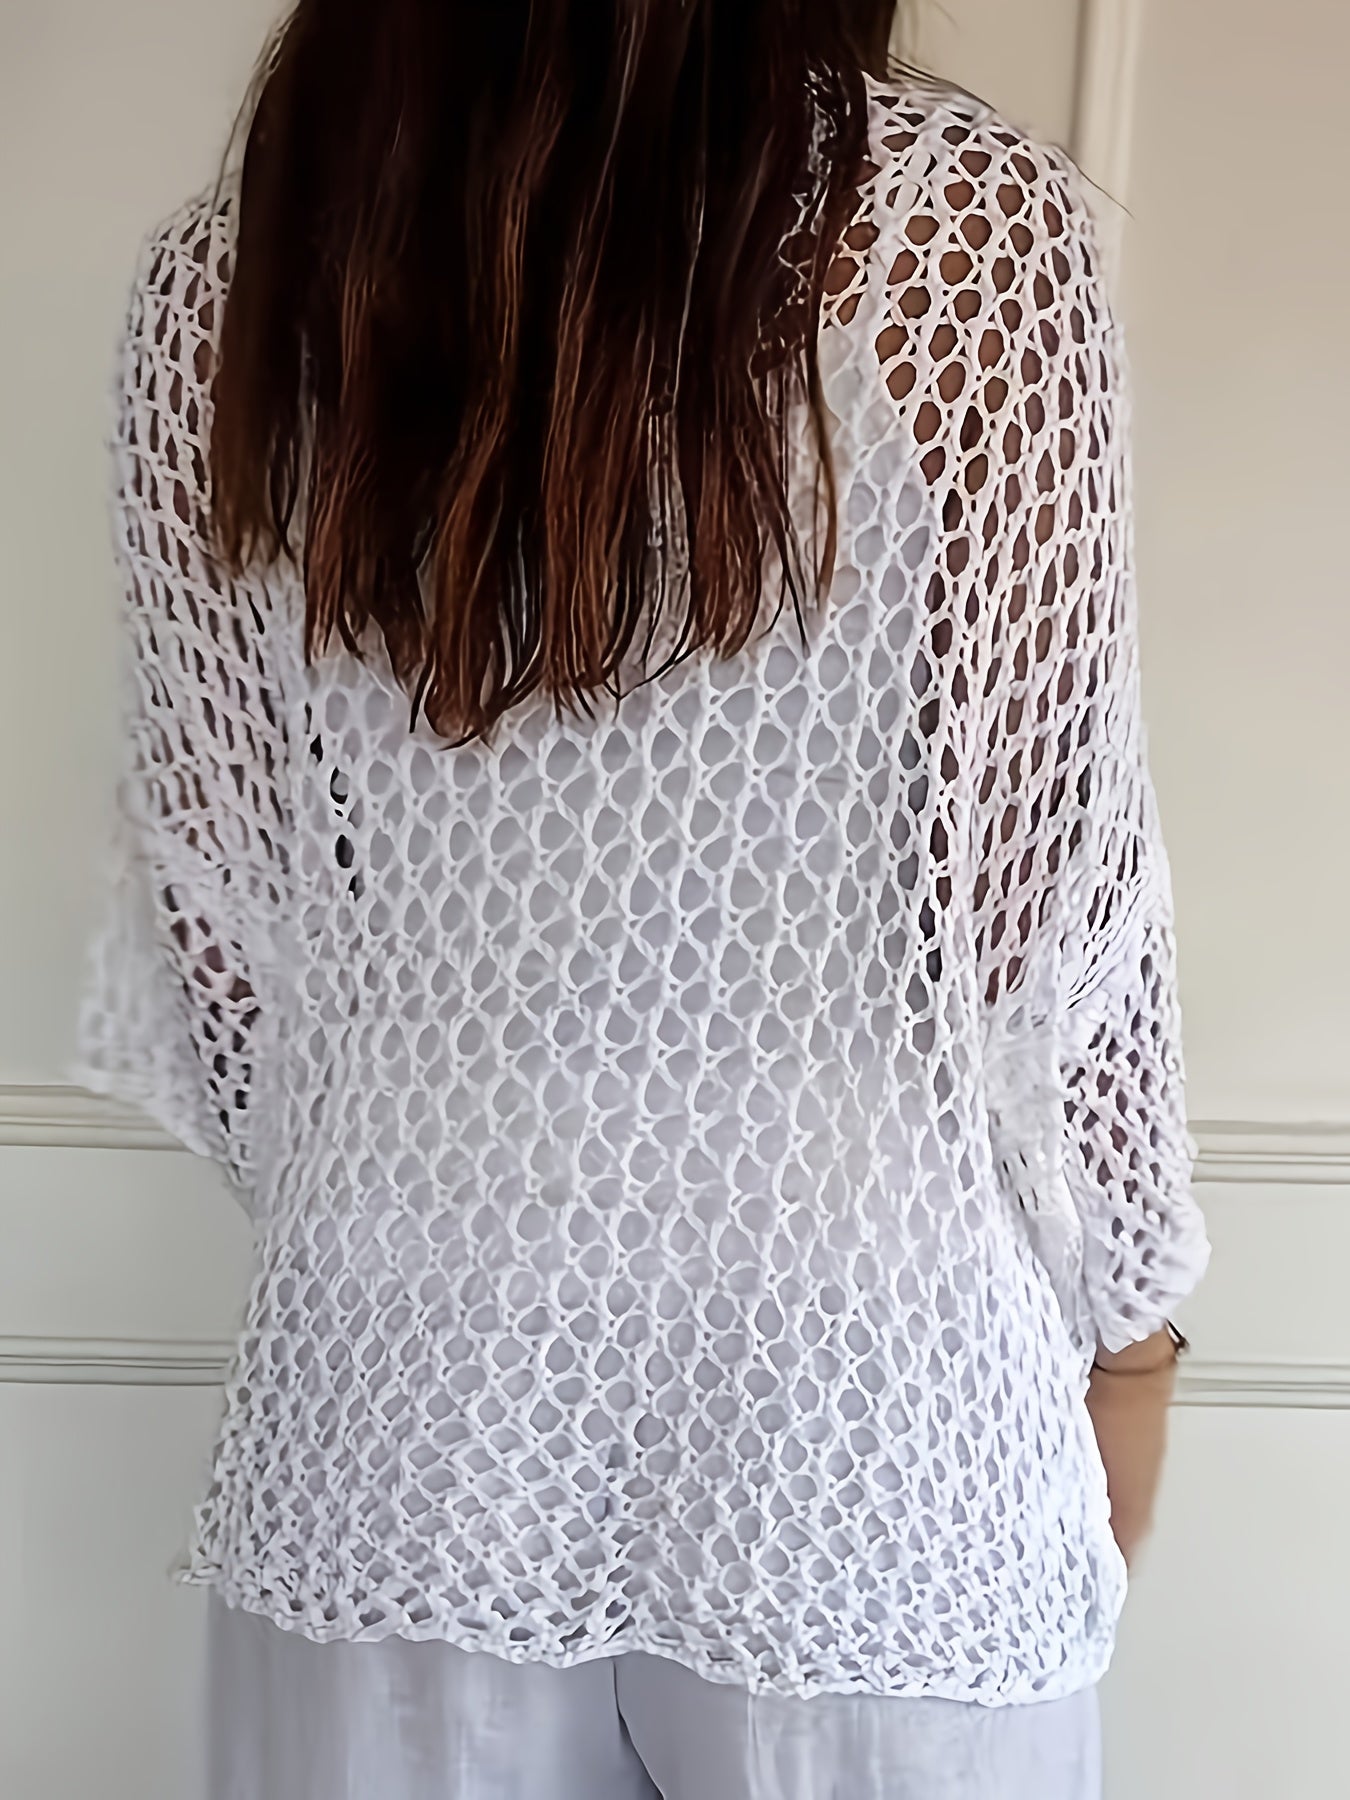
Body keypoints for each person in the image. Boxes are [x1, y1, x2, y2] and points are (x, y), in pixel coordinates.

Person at [78, 3, 1210, 1796]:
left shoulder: (232, 285)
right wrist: (1133, 1345)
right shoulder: (971, 236)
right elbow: (1049, 916)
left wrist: (446, 1201)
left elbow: (227, 943)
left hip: (401, 1379)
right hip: (875, 1383)